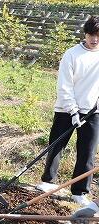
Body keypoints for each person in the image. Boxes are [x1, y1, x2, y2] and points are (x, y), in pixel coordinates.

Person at [38, 16, 99, 207]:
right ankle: (47, 181)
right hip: (66, 108)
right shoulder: (71, 54)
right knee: (57, 145)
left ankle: (79, 191)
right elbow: (64, 86)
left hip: (93, 111)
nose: (94, 39)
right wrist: (73, 111)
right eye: (91, 35)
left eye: (98, 36)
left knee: (87, 151)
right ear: (85, 34)